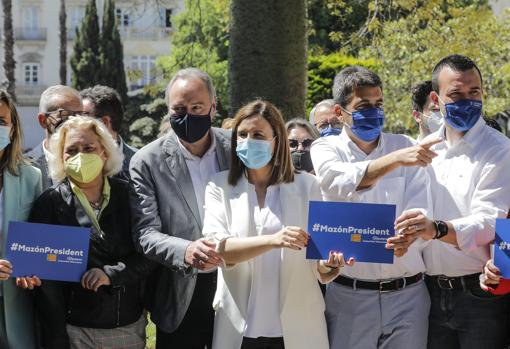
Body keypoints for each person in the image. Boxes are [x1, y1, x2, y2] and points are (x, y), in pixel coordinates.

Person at [202, 100, 352, 349]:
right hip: (239, 329)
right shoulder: (218, 186)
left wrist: (329, 263)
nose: (249, 141)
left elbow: (319, 265)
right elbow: (220, 249)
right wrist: (273, 240)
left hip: (298, 328)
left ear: (276, 140)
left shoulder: (307, 186)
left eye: (258, 134)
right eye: (242, 135)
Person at [311, 66, 436, 349]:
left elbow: (420, 205)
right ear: (339, 112)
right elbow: (335, 181)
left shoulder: (404, 145)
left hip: (408, 295)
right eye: (363, 105)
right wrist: (396, 161)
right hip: (349, 297)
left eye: (378, 104)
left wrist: (410, 235)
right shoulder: (325, 149)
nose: (374, 111)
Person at [394, 54, 510, 349]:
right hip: (426, 294)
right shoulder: (422, 150)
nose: (467, 102)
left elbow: (490, 222)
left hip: (480, 297)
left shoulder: (499, 150)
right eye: (456, 95)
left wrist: (437, 229)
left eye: (475, 93)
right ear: (436, 98)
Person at [28, 116, 155, 349]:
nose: (81, 156)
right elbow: (44, 281)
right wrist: (57, 337)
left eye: (89, 148)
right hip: (73, 330)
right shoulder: (49, 203)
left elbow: (150, 253)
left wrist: (111, 274)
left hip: (126, 326)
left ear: (104, 152)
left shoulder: (130, 195)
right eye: (72, 150)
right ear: (61, 158)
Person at [129, 68, 231, 349]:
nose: (188, 115)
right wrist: (185, 251)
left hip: (237, 282)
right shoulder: (147, 161)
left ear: (213, 106)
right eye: (179, 109)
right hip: (182, 289)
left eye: (197, 107)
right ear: (168, 110)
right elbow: (145, 233)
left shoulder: (237, 147)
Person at [0, 90, 42, 349]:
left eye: (1, 121)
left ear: (13, 128)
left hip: (17, 304)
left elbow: (39, 238)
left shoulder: (31, 177)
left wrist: (35, 269)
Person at [25, 85, 84, 190]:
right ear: (43, 120)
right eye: (65, 115)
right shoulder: (23, 167)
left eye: (80, 115)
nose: (74, 122)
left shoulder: (92, 160)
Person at [80, 85, 137, 180]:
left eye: (83, 117)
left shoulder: (140, 161)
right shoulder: (74, 162)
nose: (76, 123)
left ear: (105, 122)